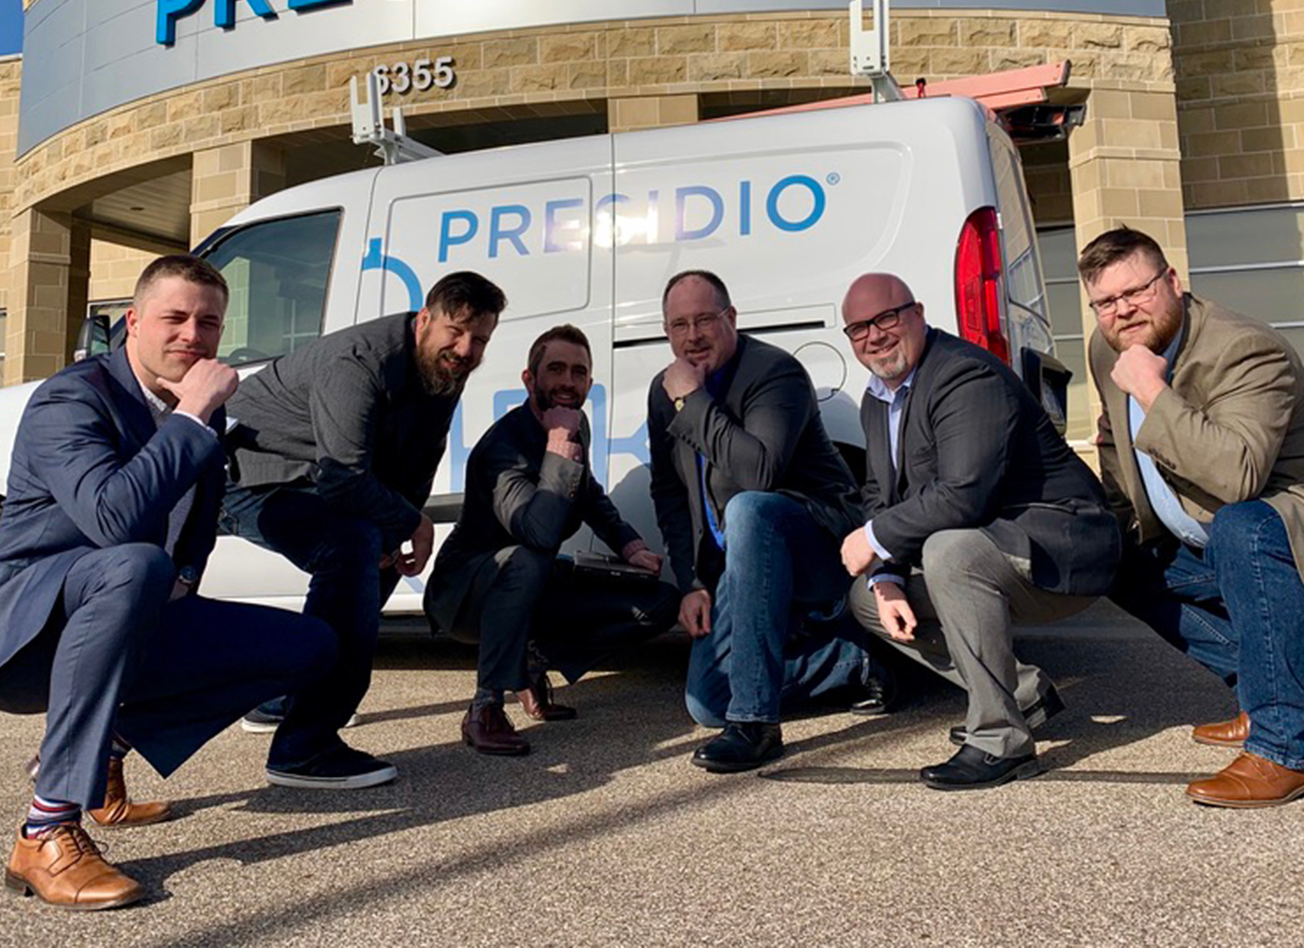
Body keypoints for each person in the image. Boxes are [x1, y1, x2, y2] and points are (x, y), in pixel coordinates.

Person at [0, 255, 337, 911]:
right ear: (134, 322)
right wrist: (193, 413)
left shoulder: (198, 413)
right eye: (174, 318)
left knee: (310, 645)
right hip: (24, 641)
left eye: (209, 323)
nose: (192, 336)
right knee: (136, 563)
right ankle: (45, 830)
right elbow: (113, 518)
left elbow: (197, 525)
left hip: (124, 616)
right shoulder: (72, 399)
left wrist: (185, 577)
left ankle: (103, 754)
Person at [1078, 226, 1304, 808]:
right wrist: (1116, 521)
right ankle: (1273, 688)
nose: (1123, 311)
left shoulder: (1246, 349)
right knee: (1112, 559)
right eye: (1106, 301)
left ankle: (1289, 751)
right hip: (1208, 524)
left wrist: (1150, 390)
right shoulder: (1108, 349)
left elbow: (1237, 476)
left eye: (1137, 291)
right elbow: (1112, 438)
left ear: (1172, 281)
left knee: (1243, 527)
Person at [837, 274, 1122, 790]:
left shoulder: (964, 375)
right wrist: (887, 577)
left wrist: (872, 538)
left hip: (1058, 548)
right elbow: (880, 492)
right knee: (868, 597)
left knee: (951, 549)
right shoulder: (877, 399)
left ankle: (1000, 741)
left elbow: (963, 494)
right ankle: (1024, 693)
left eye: (886, 318)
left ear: (918, 313)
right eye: (859, 328)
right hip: (998, 551)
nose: (874, 336)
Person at [223, 271, 505, 788]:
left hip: (312, 474)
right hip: (251, 474)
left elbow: (421, 455)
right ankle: (305, 747)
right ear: (425, 319)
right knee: (351, 547)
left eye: (480, 338)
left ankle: (286, 699)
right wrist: (410, 521)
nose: (467, 349)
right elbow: (343, 476)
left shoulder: (444, 364)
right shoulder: (358, 362)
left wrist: (402, 527)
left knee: (377, 556)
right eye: (457, 331)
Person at [648, 269, 870, 772]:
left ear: (731, 317)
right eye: (679, 325)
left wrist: (693, 402)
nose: (692, 336)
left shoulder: (774, 372)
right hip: (740, 565)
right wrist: (691, 582)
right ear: (666, 331)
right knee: (706, 701)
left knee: (749, 508)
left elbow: (759, 473)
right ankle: (860, 660)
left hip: (819, 548)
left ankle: (755, 723)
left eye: (705, 320)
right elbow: (669, 493)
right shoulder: (664, 393)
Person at [425, 325, 679, 755]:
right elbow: (538, 533)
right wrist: (558, 445)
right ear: (530, 379)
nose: (567, 381)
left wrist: (630, 546)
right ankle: (485, 708)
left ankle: (530, 663)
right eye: (556, 369)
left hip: (534, 584)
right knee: (528, 559)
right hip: (467, 594)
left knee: (660, 602)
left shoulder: (575, 424)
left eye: (578, 373)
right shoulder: (503, 446)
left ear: (589, 384)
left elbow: (588, 493)